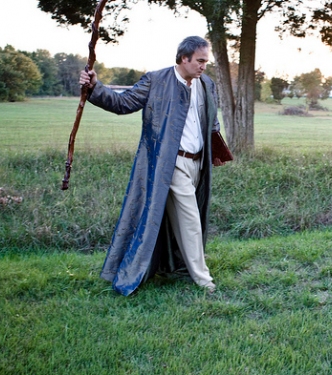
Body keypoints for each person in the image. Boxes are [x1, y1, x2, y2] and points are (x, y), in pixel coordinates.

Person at [79, 36, 225, 296]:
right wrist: (95, 87)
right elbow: (123, 104)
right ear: (184, 58)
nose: (204, 66)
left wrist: (217, 147)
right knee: (190, 219)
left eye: (206, 61)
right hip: (169, 163)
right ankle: (203, 279)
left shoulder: (207, 84)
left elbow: (211, 120)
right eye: (200, 61)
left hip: (199, 163)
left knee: (180, 219)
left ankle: (170, 266)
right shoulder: (156, 81)